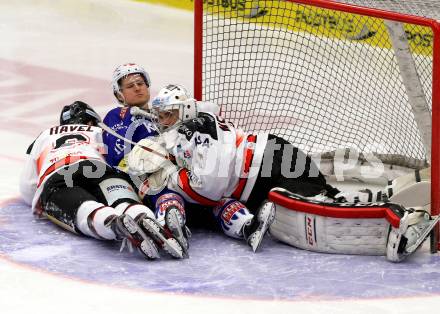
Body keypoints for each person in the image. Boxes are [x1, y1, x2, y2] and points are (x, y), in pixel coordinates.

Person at [127, 84, 439, 261]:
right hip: (267, 164)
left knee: (315, 209)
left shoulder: (196, 128)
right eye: (162, 115)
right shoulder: (191, 128)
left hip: (267, 166)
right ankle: (382, 195)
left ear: (185, 110)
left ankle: (400, 220)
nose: (163, 121)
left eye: (168, 114)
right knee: (320, 197)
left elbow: (209, 187)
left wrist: (172, 180)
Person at [19, 101, 188, 260]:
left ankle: (113, 223)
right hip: (99, 169)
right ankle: (140, 214)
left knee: (88, 210)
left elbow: (28, 186)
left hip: (60, 174)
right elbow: (117, 157)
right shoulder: (100, 131)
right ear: (92, 121)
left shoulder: (44, 135)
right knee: (124, 202)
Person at [102, 63, 158, 170]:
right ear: (119, 95)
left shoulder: (164, 114)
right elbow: (117, 158)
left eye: (140, 83)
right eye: (130, 86)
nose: (137, 88)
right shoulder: (116, 114)